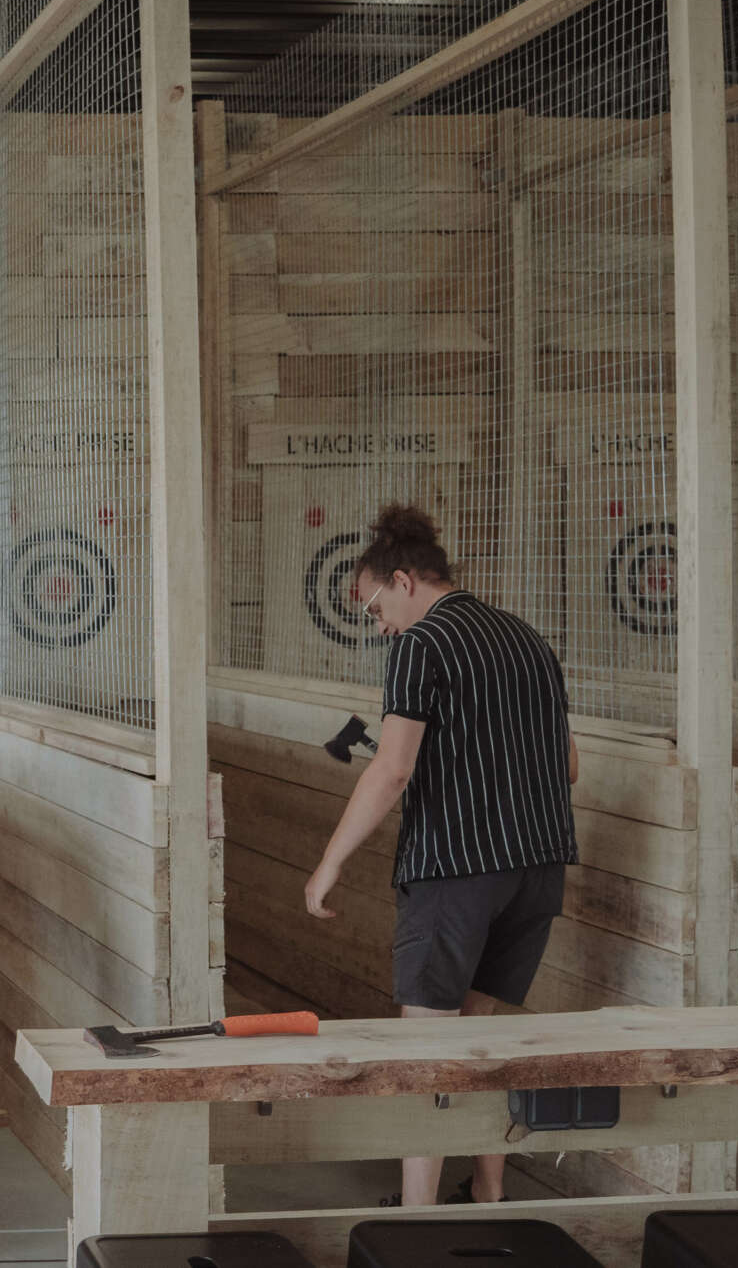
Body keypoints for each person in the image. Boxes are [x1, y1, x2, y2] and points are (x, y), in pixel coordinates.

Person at [303, 504, 580, 1207]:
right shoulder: (528, 639)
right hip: (538, 868)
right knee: (479, 1045)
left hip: (456, 871)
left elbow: (392, 769)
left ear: (404, 580)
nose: (378, 624)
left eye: (374, 606)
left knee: (425, 1052)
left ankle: (416, 1224)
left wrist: (330, 861)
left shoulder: (421, 646)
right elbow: (569, 764)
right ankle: (487, 1197)